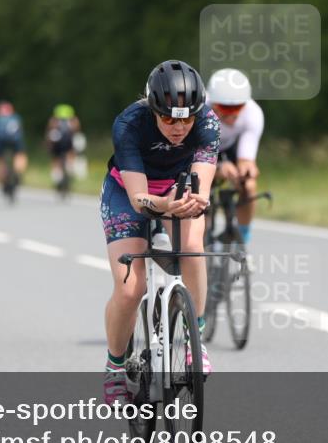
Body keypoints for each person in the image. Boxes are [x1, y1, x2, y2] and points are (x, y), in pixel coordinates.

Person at [100, 60, 220, 405]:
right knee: (130, 288)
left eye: (186, 118)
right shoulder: (129, 124)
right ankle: (115, 365)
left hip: (178, 187)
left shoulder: (209, 122)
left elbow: (201, 190)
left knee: (193, 248)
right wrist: (165, 205)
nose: (178, 127)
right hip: (127, 192)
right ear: (153, 110)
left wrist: (191, 203)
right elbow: (140, 200)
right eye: (168, 118)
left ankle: (193, 339)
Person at [207, 68, 264, 245]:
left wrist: (246, 172)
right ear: (213, 103)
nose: (232, 114)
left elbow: (246, 160)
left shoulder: (253, 113)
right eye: (224, 108)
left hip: (232, 147)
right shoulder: (200, 110)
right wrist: (217, 169)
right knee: (199, 187)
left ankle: (242, 239)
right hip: (203, 149)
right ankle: (203, 240)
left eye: (238, 107)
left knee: (249, 185)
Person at [0, 101, 27, 196]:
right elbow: (20, 130)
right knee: (20, 154)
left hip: (0, 141)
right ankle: (18, 172)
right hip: (15, 140)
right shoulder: (16, 117)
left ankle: (2, 177)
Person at [45, 104, 80, 193]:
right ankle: (70, 168)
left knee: (56, 159)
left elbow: (49, 133)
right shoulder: (73, 120)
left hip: (57, 144)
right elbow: (77, 131)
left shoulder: (54, 120)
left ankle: (56, 176)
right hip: (68, 142)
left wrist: (48, 145)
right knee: (71, 154)